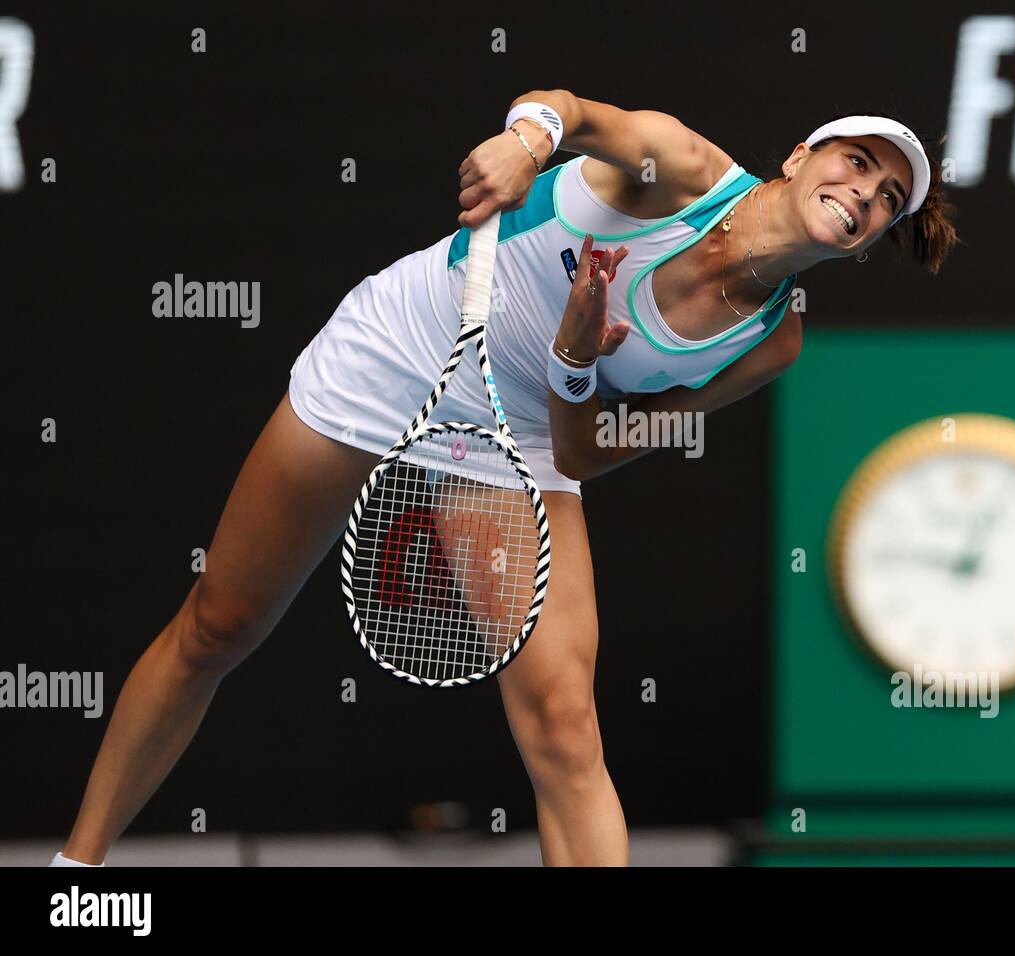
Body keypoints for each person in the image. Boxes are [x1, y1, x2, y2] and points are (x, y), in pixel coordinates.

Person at [51, 91, 958, 868]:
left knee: (566, 727)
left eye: (885, 200)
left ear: (874, 238)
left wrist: (573, 364)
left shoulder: (771, 344)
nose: (862, 195)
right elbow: (569, 111)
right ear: (803, 156)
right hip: (402, 349)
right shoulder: (678, 168)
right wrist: (524, 145)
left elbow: (587, 451)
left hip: (518, 435)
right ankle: (73, 879)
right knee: (220, 626)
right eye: (856, 162)